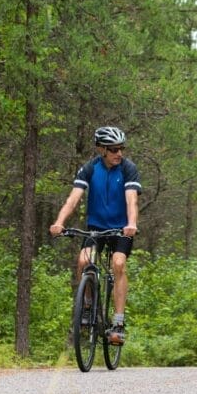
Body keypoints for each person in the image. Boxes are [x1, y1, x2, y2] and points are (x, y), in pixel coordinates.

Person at [50, 126, 141, 345]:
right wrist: (59, 223)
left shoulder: (128, 169)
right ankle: (88, 305)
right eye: (113, 149)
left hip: (121, 229)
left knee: (118, 264)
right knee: (83, 260)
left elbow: (132, 200)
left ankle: (118, 323)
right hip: (96, 228)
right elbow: (73, 199)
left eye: (121, 148)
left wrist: (131, 223)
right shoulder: (90, 169)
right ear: (102, 149)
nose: (119, 153)